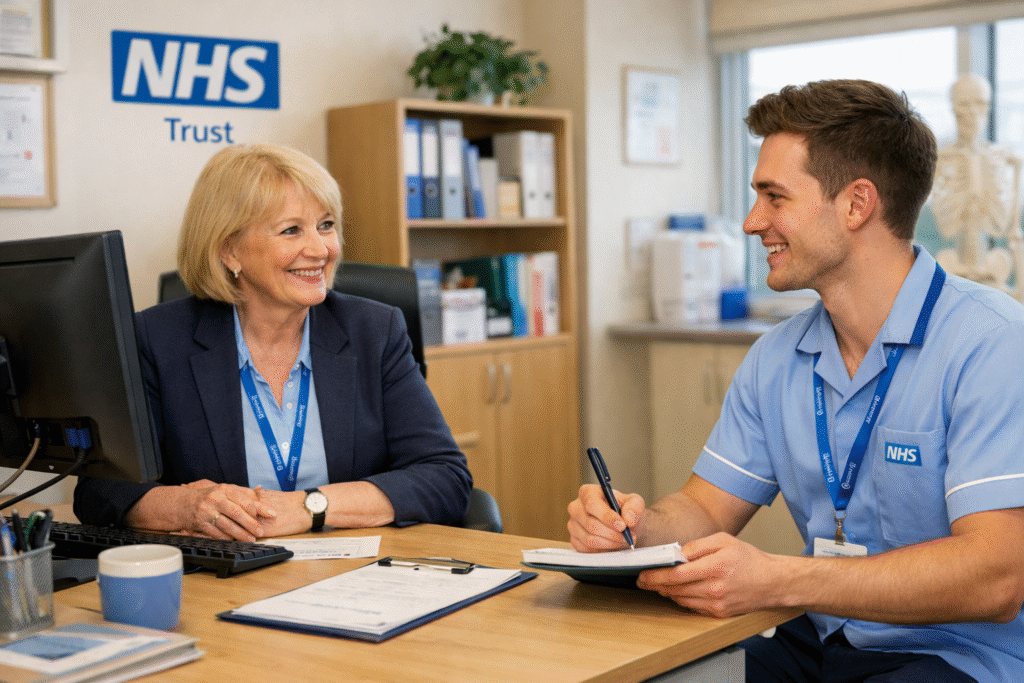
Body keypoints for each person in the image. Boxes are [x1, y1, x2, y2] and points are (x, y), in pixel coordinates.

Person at [568, 80, 1024, 682]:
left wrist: (781, 579)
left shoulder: (992, 343)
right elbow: (704, 507)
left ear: (857, 204)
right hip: (819, 639)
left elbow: (998, 575)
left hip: (955, 655)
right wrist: (633, 528)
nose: (753, 221)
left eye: (774, 197)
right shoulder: (777, 357)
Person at [74, 143, 472, 540]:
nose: (320, 250)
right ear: (229, 250)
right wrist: (187, 506)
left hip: (354, 576)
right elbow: (100, 492)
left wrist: (308, 507)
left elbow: (444, 476)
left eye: (326, 225)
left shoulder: (374, 330)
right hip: (224, 580)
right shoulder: (157, 340)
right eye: (291, 230)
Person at [931, 73, 1023, 297]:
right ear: (953, 108)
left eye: (980, 104)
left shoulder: (1008, 159)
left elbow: (1010, 231)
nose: (972, 113)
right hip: (951, 268)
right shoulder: (937, 159)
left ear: (988, 107)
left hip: (994, 271)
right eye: (965, 104)